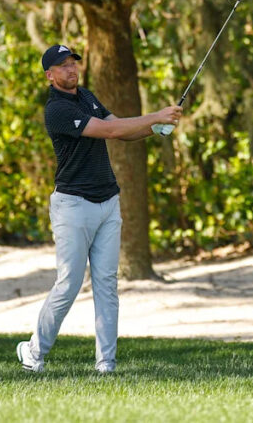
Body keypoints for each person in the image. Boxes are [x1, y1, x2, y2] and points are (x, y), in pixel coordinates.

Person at [17, 43, 182, 374]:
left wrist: (154, 128)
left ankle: (106, 364)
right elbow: (107, 131)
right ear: (50, 76)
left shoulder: (86, 96)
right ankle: (34, 351)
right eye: (62, 66)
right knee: (69, 282)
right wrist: (155, 115)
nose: (71, 69)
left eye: (73, 63)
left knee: (107, 284)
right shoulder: (57, 110)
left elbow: (120, 129)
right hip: (72, 206)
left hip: (108, 201)